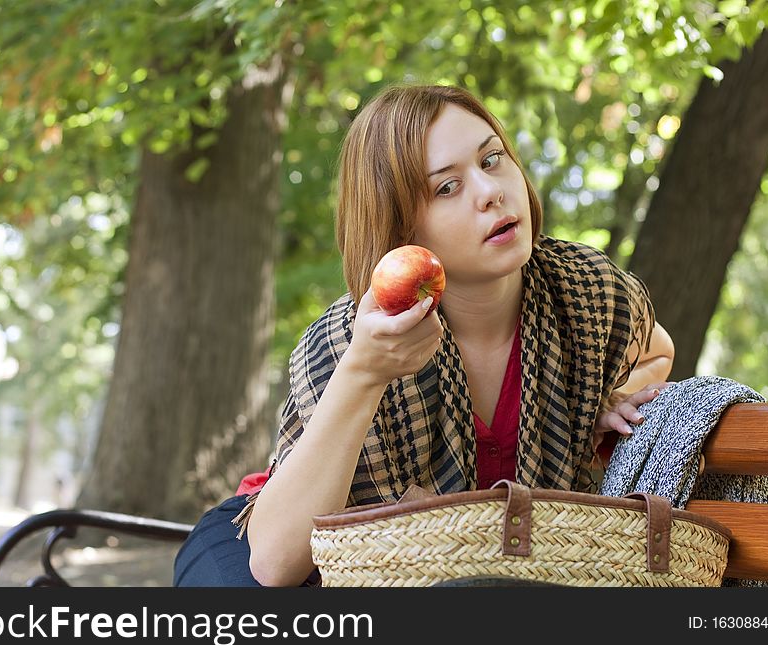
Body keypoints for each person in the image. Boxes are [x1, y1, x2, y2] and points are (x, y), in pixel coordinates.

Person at [173, 83, 675, 588]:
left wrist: (611, 398)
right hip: (288, 541)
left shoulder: (582, 289)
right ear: (403, 231)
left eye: (493, 159)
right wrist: (365, 372)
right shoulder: (347, 337)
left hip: (473, 561)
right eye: (447, 188)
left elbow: (657, 350)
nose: (490, 191)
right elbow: (276, 565)